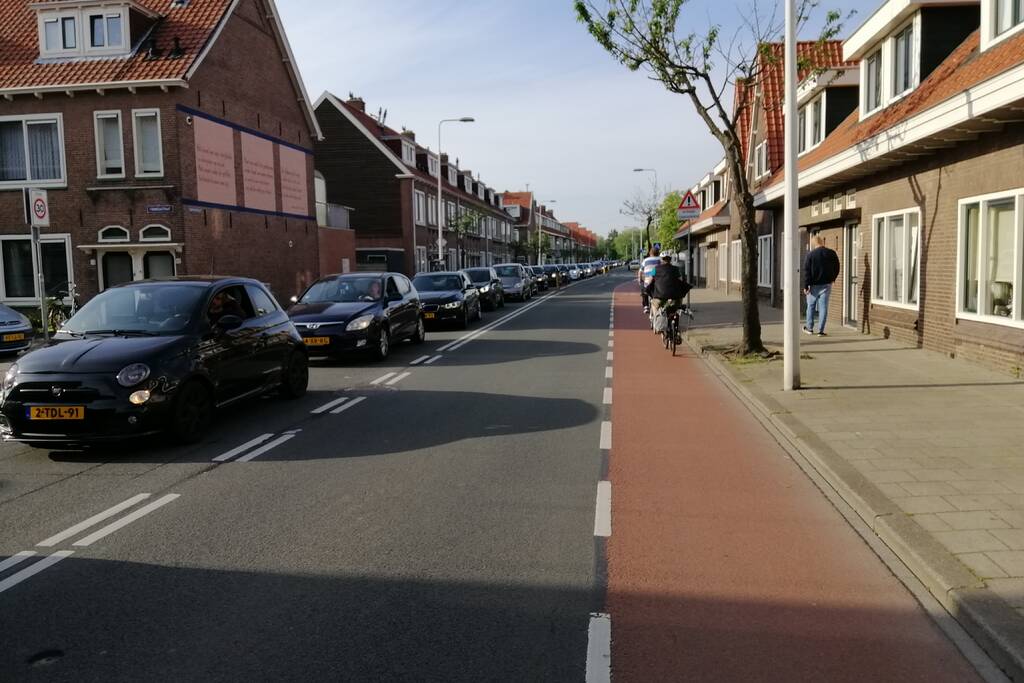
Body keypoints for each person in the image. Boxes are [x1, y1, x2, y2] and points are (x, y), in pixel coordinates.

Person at [646, 253, 692, 341]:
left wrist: (648, 287)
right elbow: (680, 280)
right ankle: (676, 329)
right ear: (670, 260)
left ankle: (657, 324)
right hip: (675, 297)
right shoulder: (676, 269)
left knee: (654, 304)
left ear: (661, 259)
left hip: (660, 297)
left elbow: (650, 280)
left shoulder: (655, 269)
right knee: (677, 307)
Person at [802, 234, 841, 336]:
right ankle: (821, 331)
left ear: (814, 243)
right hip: (826, 284)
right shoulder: (831, 253)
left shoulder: (810, 255)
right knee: (823, 307)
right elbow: (837, 266)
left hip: (813, 285)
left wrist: (806, 286)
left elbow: (807, 272)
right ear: (822, 242)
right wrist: (833, 278)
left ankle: (810, 328)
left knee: (810, 306)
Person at [637, 245, 662, 313]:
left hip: (647, 282)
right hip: (659, 281)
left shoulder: (645, 260)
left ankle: (646, 306)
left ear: (650, 253)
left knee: (643, 290)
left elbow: (640, 271)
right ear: (658, 253)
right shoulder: (660, 259)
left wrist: (639, 280)